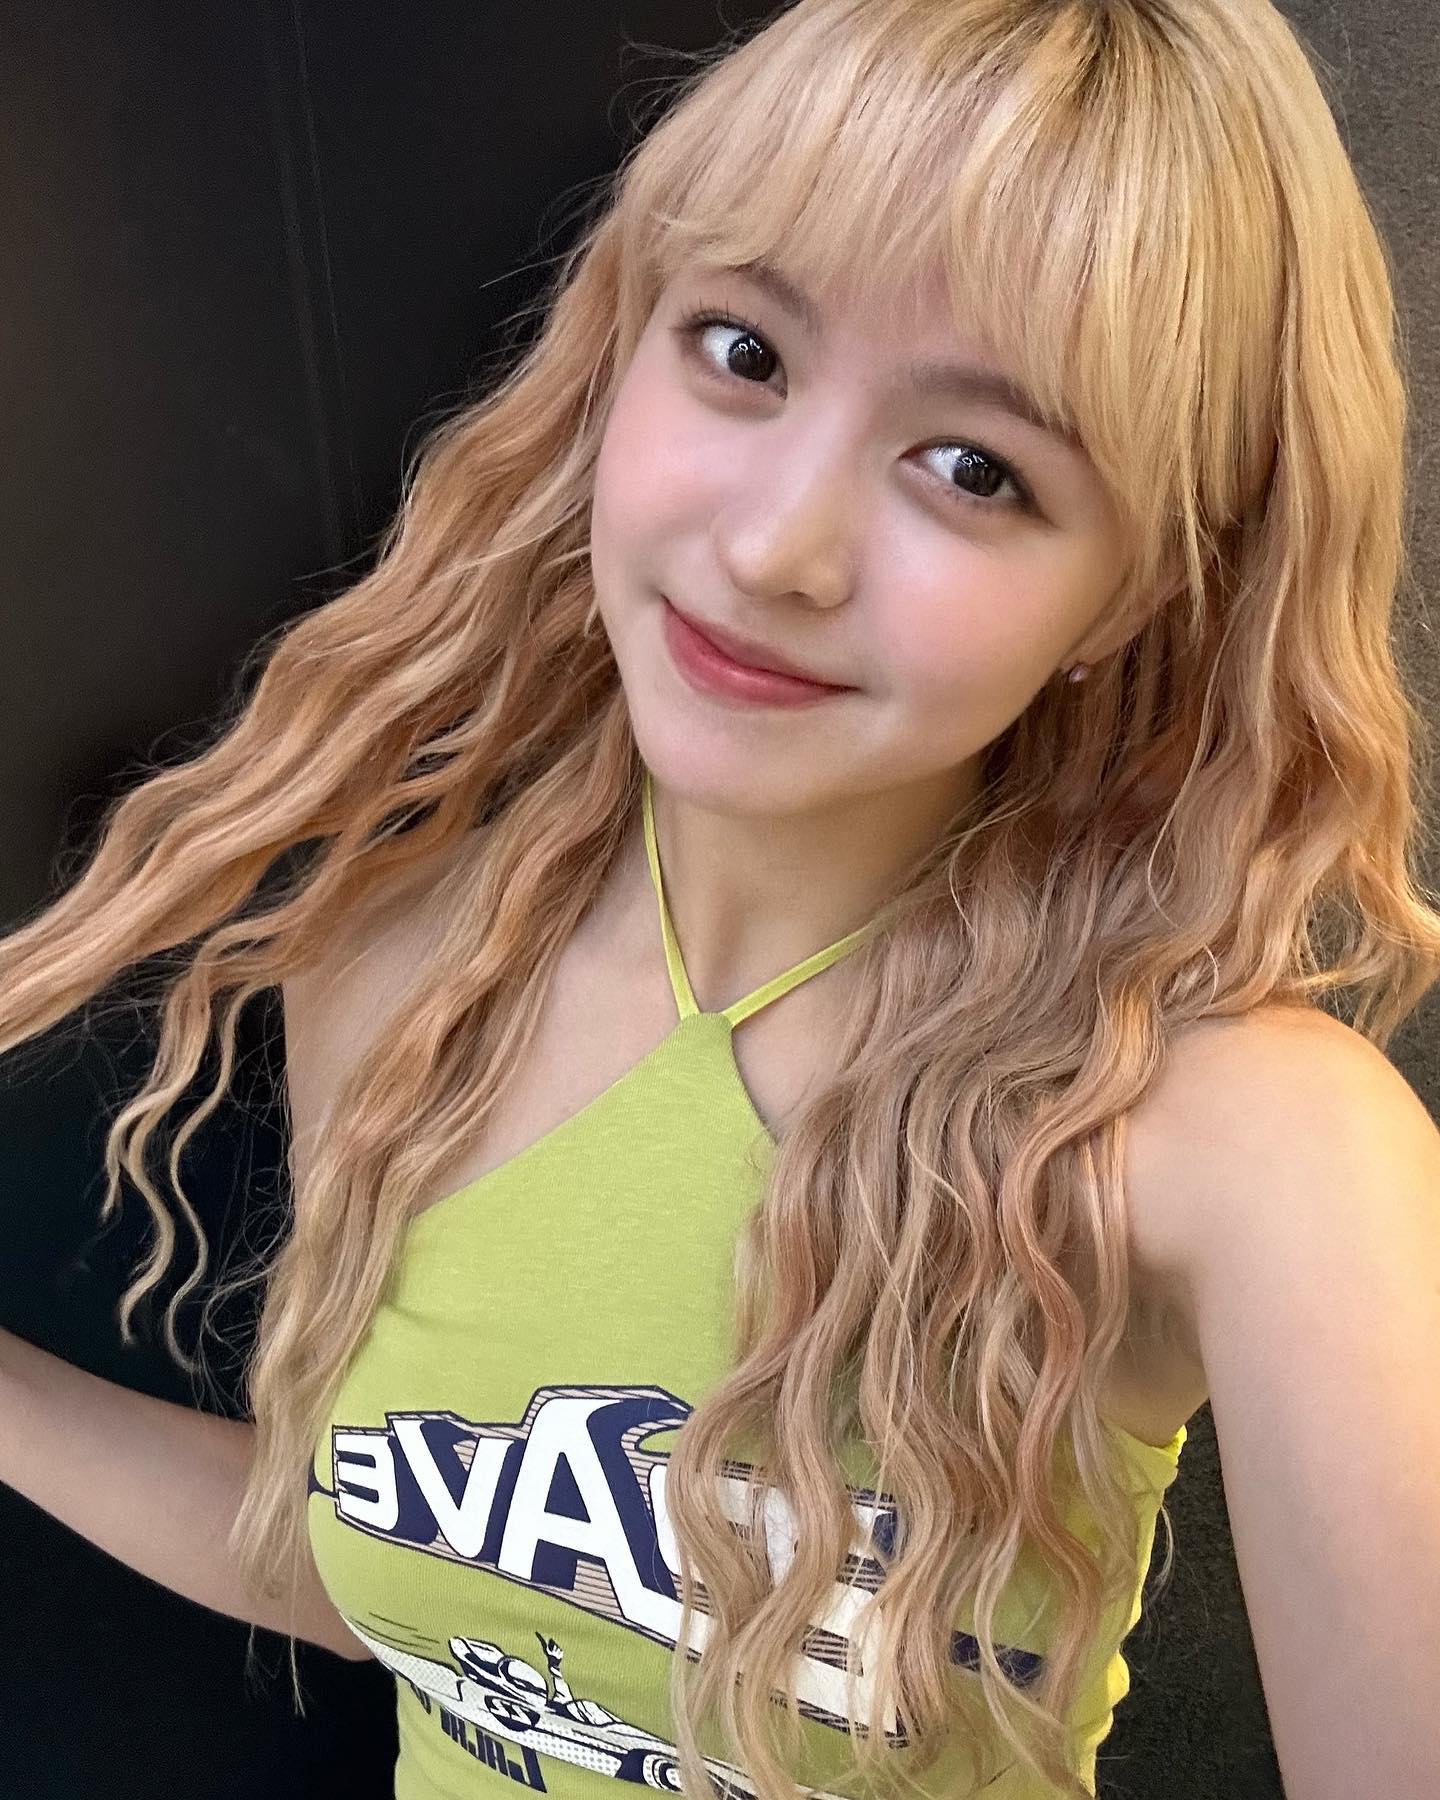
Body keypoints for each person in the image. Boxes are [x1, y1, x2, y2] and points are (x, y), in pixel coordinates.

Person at [2, 1, 1439, 1796]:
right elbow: (418, 1586)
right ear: (622, 344)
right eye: (744, 350)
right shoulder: (395, 972)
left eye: (976, 469)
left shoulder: (1242, 1149)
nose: (776, 549)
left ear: (1138, 593)